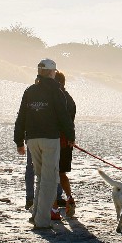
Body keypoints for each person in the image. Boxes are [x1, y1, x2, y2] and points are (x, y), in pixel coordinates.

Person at [14, 58, 75, 230]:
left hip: (32, 139)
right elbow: (63, 116)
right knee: (49, 179)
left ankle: (36, 215)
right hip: (50, 139)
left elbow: (21, 117)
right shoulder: (56, 91)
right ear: (51, 72)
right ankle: (42, 220)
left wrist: (19, 140)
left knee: (40, 178)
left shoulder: (30, 90)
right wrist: (70, 136)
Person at [55, 71, 78, 219]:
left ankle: (54, 207)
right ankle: (69, 197)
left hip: (57, 141)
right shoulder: (69, 99)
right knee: (61, 173)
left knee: (51, 174)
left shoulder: (57, 98)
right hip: (67, 141)